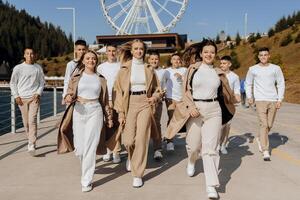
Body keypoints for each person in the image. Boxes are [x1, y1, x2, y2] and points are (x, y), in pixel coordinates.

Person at [165, 39, 236, 199]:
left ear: (215, 55)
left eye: (212, 52)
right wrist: (191, 107)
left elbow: (226, 92)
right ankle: (192, 161)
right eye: (206, 52)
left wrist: (233, 98)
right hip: (195, 110)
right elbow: (186, 91)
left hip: (214, 111)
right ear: (201, 54)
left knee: (211, 149)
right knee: (193, 146)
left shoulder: (219, 72)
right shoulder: (193, 69)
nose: (209, 54)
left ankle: (211, 185)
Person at [57, 50, 113, 192]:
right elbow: (69, 92)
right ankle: (85, 169)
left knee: (90, 146)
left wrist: (109, 117)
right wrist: (68, 96)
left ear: (96, 61)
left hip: (95, 110)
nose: (91, 61)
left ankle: (86, 180)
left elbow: (105, 101)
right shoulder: (75, 76)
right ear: (83, 60)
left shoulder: (101, 78)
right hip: (78, 111)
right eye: (88, 58)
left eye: (93, 58)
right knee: (80, 148)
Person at [114, 39, 161, 188]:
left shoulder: (149, 69)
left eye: (141, 49)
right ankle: (131, 157)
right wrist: (121, 112)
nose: (139, 51)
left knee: (141, 138)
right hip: (129, 103)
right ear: (132, 51)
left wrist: (155, 97)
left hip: (145, 103)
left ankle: (137, 174)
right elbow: (118, 92)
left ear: (144, 51)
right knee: (128, 141)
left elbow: (158, 89)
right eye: (136, 49)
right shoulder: (124, 69)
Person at [245, 47, 285, 161]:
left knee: (269, 125)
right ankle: (265, 150)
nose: (263, 57)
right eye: (261, 55)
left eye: (265, 55)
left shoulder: (276, 68)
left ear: (269, 56)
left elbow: (281, 84)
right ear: (258, 57)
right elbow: (248, 83)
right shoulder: (253, 69)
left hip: (273, 99)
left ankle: (259, 137)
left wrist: (279, 99)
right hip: (260, 100)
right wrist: (249, 97)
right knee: (264, 124)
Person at [10, 47, 45, 156]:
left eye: (32, 53)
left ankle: (31, 143)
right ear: (24, 55)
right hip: (22, 99)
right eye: (27, 53)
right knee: (26, 122)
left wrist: (38, 93)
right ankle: (30, 139)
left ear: (35, 55)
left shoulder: (38, 68)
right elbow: (13, 83)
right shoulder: (18, 68)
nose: (30, 55)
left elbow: (42, 82)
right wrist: (16, 96)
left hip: (34, 98)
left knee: (32, 120)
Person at [97, 44, 121, 164]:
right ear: (106, 53)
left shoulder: (121, 66)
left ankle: (116, 151)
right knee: (107, 125)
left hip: (118, 99)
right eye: (109, 51)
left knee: (117, 125)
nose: (111, 53)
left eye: (113, 51)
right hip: (105, 99)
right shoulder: (100, 67)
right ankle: (108, 150)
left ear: (117, 52)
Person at [164, 53, 187, 151]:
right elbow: (162, 83)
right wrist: (163, 93)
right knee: (171, 118)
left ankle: (190, 139)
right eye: (174, 59)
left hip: (182, 99)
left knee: (183, 119)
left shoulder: (184, 70)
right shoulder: (167, 71)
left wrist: (181, 77)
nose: (176, 61)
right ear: (171, 61)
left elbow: (188, 82)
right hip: (170, 98)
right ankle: (170, 141)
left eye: (178, 59)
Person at [219, 56, 241, 154]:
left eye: (224, 63)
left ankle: (223, 145)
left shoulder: (234, 77)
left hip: (229, 104)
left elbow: (237, 90)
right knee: (219, 126)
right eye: (221, 63)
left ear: (229, 64)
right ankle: (216, 144)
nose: (222, 65)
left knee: (227, 125)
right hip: (218, 103)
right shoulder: (217, 74)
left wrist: (238, 97)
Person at [147, 50, 165, 160]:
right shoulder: (144, 71)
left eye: (156, 59)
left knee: (157, 124)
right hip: (145, 101)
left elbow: (166, 85)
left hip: (158, 101)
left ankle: (157, 149)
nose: (154, 61)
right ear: (148, 60)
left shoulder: (163, 72)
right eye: (152, 59)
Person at [62, 39, 87, 104]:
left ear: (86, 50)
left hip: (85, 95)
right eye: (79, 49)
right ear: (75, 50)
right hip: (72, 95)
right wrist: (65, 95)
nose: (82, 51)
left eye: (83, 49)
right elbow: (67, 80)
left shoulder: (89, 63)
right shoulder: (70, 64)